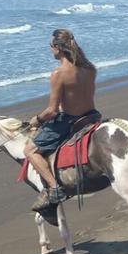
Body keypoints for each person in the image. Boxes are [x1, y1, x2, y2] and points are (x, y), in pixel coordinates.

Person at [24, 29, 100, 212]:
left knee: (30, 149)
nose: (50, 50)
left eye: (51, 46)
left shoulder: (59, 73)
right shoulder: (90, 69)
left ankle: (54, 188)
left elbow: (51, 111)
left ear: (58, 48)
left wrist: (36, 119)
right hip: (91, 115)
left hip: (69, 121)